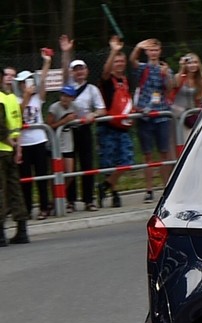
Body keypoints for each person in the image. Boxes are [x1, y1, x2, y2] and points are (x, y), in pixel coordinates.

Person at [60, 34, 107, 212]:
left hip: (85, 129)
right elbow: (64, 71)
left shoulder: (92, 89)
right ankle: (70, 200)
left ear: (86, 71)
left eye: (82, 69)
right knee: (70, 167)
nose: (79, 72)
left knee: (87, 165)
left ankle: (89, 200)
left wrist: (92, 115)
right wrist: (66, 52)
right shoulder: (68, 86)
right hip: (68, 131)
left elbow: (102, 109)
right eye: (76, 69)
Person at [130, 38, 174, 203]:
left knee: (164, 153)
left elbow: (170, 88)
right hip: (145, 115)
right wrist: (138, 47)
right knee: (147, 155)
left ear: (160, 51)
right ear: (147, 52)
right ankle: (149, 190)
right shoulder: (144, 68)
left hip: (161, 114)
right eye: (151, 50)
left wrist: (166, 75)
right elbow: (133, 61)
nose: (153, 53)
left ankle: (166, 189)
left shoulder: (165, 69)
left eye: (156, 50)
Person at [97, 35, 134, 208]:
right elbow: (104, 71)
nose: (119, 63)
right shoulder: (107, 81)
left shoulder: (126, 81)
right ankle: (113, 192)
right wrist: (114, 50)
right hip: (108, 127)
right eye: (116, 61)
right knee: (108, 163)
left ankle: (104, 187)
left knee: (126, 161)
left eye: (121, 61)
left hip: (123, 127)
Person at [16, 49, 51, 220]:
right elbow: (19, 113)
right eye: (22, 82)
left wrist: (46, 61)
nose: (25, 85)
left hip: (39, 141)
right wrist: (26, 97)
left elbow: (43, 80)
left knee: (42, 177)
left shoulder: (38, 97)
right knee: (25, 179)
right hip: (24, 143)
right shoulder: (16, 99)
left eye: (27, 82)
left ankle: (45, 207)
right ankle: (28, 208)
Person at [1, 67, 28, 244]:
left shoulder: (3, 98)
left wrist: (11, 143)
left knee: (1, 190)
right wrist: (17, 146)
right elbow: (18, 124)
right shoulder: (11, 98)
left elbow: (1, 127)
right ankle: (22, 229)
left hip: (3, 148)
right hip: (11, 149)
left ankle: (0, 233)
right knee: (15, 190)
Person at [47, 85, 79, 213]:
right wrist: (65, 121)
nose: (64, 98)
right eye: (63, 95)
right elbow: (49, 126)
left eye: (67, 96)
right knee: (55, 175)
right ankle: (55, 200)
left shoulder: (74, 107)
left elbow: (80, 119)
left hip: (68, 143)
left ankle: (60, 197)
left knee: (69, 173)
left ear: (72, 98)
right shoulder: (54, 108)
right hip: (55, 144)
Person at [171, 51, 202, 136]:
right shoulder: (180, 77)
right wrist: (181, 67)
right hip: (178, 116)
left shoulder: (200, 80)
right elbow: (176, 84)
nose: (192, 65)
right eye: (189, 63)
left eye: (195, 62)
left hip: (192, 116)